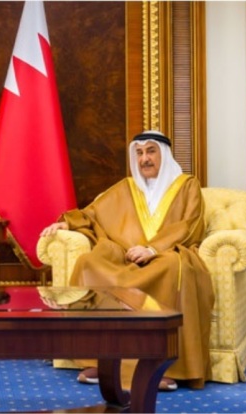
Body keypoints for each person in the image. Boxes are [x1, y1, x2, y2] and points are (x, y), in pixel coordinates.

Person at [40, 130, 214, 390]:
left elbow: (190, 225)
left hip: (165, 254)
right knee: (89, 263)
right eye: (139, 153)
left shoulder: (187, 185)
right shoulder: (126, 188)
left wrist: (152, 249)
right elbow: (93, 214)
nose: (144, 159)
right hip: (125, 256)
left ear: (164, 154)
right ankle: (99, 360)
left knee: (174, 267)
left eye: (151, 151)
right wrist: (68, 223)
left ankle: (162, 365)